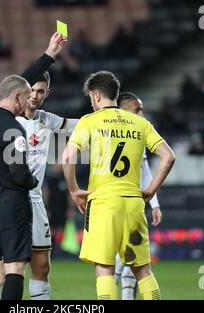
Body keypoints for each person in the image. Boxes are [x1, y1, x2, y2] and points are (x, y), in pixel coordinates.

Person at [62, 71, 175, 300]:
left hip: (103, 204)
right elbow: (169, 157)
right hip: (133, 204)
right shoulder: (140, 123)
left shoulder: (89, 121)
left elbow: (67, 157)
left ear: (95, 96)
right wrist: (151, 190)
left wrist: (74, 190)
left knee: (104, 268)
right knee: (142, 269)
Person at [0, 33, 67, 300]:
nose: (28, 102)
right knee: (14, 269)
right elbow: (19, 173)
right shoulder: (14, 130)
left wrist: (49, 54)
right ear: (16, 98)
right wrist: (33, 183)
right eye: (24, 98)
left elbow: (19, 80)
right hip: (12, 203)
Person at [114, 92, 163, 300]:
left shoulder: (138, 133)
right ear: (123, 111)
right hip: (114, 202)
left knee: (129, 255)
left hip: (131, 202)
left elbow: (144, 170)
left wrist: (155, 203)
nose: (142, 114)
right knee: (123, 258)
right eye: (137, 110)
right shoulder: (111, 132)